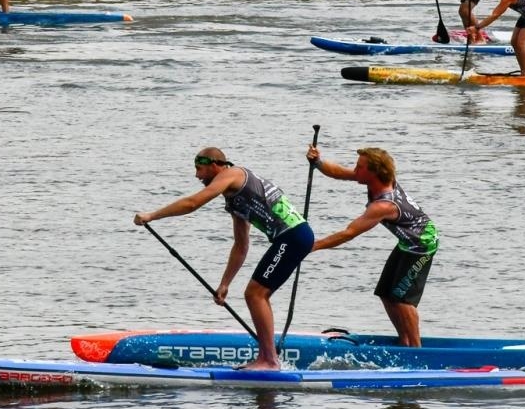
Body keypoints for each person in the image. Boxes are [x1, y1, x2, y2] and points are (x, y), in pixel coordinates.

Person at [134, 147, 314, 370]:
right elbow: (241, 244)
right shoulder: (235, 197)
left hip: (293, 236)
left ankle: (269, 360)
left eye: (199, 169)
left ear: (214, 165)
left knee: (255, 294)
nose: (197, 175)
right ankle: (268, 357)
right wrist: (225, 283)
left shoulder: (233, 174)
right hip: (292, 238)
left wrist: (151, 215)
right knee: (256, 293)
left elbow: (192, 203)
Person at [307, 143, 439, 348]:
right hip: (407, 242)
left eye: (360, 167)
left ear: (374, 172)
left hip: (422, 245)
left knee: (402, 299)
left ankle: (416, 349)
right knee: (386, 294)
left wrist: (312, 246)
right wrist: (318, 162)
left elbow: (348, 233)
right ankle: (404, 341)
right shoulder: (374, 180)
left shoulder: (383, 205)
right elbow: (340, 173)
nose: (355, 170)